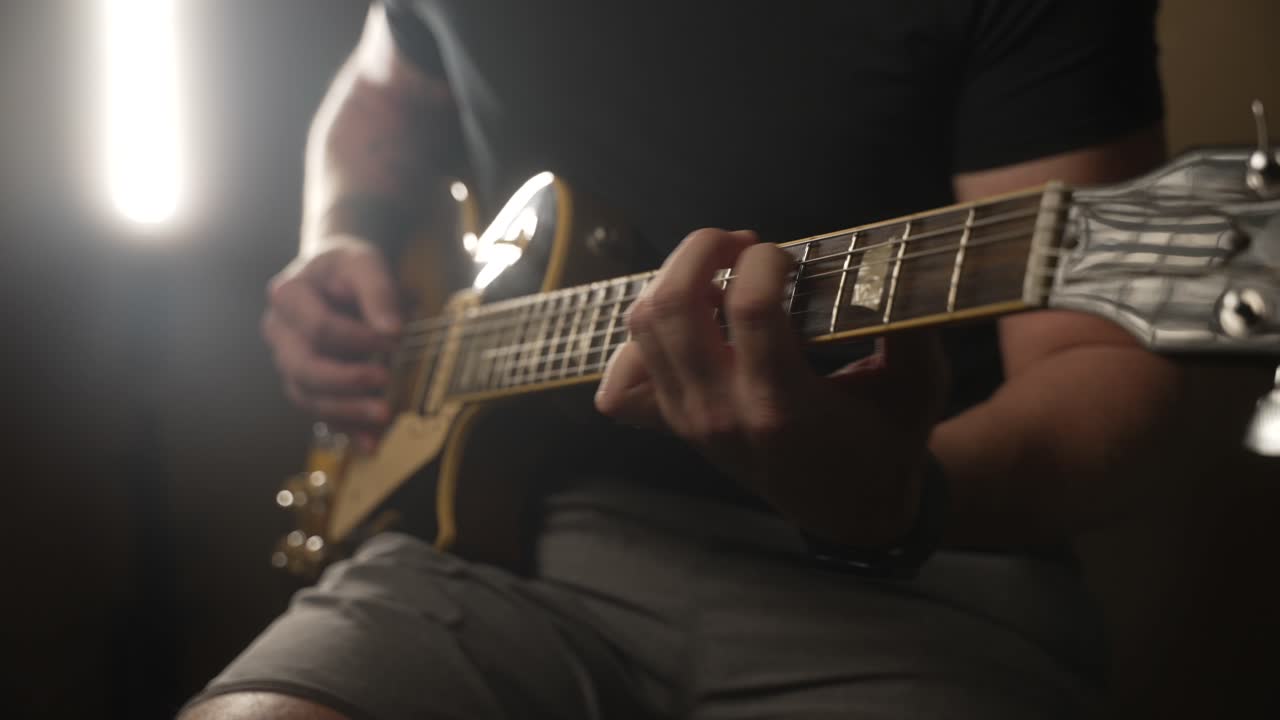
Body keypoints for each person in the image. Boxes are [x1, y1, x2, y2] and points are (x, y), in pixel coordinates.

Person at [184, 1, 1174, 718]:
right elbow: (381, 86)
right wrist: (334, 234)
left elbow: (1098, 360)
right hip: (504, 551)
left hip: (927, 585)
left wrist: (897, 496)